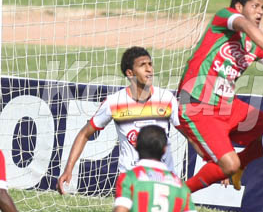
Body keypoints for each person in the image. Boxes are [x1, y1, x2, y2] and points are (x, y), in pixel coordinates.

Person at [178, 0, 263, 195]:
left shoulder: (252, 44)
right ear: (239, 7)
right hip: (199, 103)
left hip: (227, 105)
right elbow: (246, 26)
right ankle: (176, 194)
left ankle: (241, 165)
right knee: (229, 164)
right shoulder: (224, 17)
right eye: (255, 6)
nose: (260, 12)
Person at [58, 46, 179, 193]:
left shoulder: (167, 98)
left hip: (164, 179)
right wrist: (68, 169)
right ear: (130, 73)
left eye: (150, 64)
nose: (149, 69)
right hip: (131, 181)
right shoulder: (114, 102)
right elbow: (84, 134)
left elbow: (188, 132)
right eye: (143, 65)